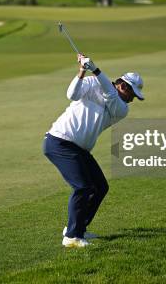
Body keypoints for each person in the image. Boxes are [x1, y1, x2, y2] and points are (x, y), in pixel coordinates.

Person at [43, 54, 144, 248]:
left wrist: (96, 69)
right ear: (123, 86)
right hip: (59, 141)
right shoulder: (91, 82)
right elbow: (71, 95)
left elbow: (109, 94)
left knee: (100, 187)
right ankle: (72, 237)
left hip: (79, 148)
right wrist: (82, 71)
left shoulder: (121, 108)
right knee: (82, 187)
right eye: (132, 94)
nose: (132, 100)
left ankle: (78, 228)